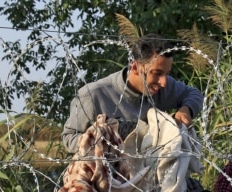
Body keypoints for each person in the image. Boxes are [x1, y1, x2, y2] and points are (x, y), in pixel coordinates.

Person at [62, 33, 204, 152]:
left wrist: (187, 110)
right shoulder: (93, 95)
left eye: (167, 74)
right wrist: (107, 140)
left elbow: (194, 94)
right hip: (109, 177)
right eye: (156, 73)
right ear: (135, 67)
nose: (164, 82)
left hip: (150, 174)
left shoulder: (163, 86)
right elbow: (69, 139)